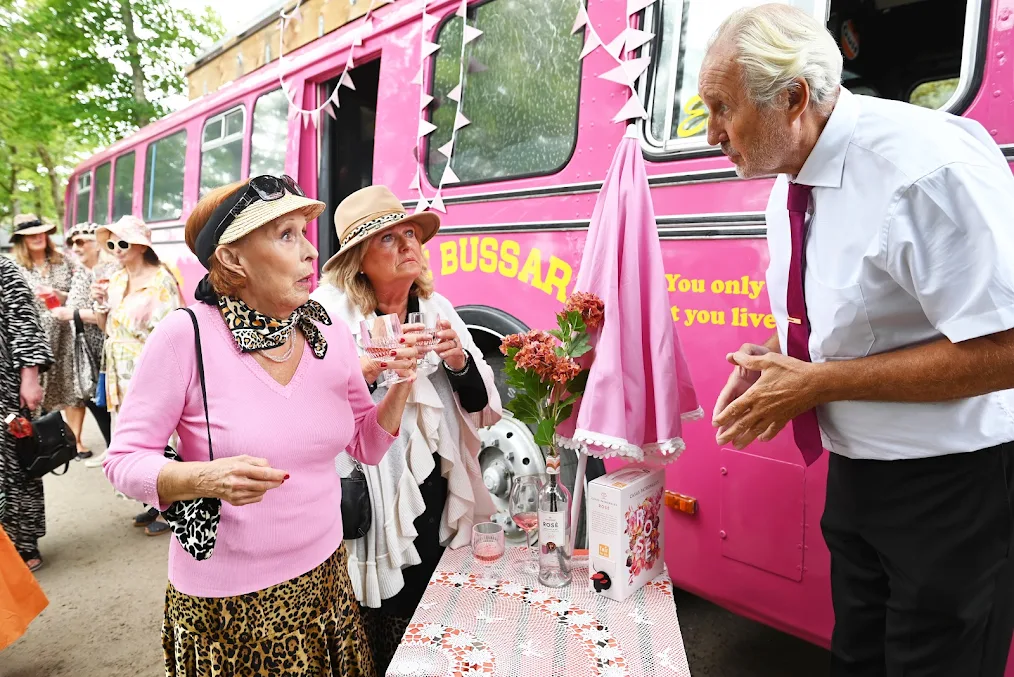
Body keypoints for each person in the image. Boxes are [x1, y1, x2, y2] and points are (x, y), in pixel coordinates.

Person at [703, 6, 1014, 677]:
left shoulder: (925, 166)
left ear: (793, 99)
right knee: (857, 660)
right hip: (856, 478)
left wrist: (819, 384)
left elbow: (1006, 348)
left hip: (951, 486)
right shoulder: (791, 177)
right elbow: (841, 314)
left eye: (723, 108)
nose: (711, 133)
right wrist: (777, 360)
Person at [103, 175, 416, 677]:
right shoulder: (185, 336)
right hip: (227, 608)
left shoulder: (327, 331)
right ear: (233, 260)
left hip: (327, 584)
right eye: (286, 235)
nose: (311, 252)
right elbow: (122, 461)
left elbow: (367, 444)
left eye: (304, 233)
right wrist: (203, 478)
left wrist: (402, 381)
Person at [311, 184, 499, 672]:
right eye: (388, 239)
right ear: (358, 261)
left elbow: (479, 404)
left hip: (432, 482)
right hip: (369, 489)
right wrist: (376, 365)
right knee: (383, 607)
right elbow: (312, 406)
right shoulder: (329, 315)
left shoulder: (437, 310)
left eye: (410, 234)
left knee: (429, 592)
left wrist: (457, 361)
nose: (407, 245)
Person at [85, 216, 183, 534]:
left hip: (150, 366)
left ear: (141, 246)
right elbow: (108, 328)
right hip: (119, 368)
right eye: (112, 243)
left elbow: (171, 334)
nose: (116, 249)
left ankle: (172, 507)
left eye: (123, 242)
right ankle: (154, 500)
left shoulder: (161, 280)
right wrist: (101, 307)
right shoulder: (115, 280)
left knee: (161, 435)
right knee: (134, 436)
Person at [9, 214, 91, 450]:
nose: (38, 237)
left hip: (65, 334)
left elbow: (80, 292)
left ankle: (75, 441)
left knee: (72, 389)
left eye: (41, 233)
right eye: (30, 235)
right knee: (35, 391)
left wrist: (59, 295)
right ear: (21, 240)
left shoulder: (64, 261)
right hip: (33, 339)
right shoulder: (14, 267)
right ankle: (41, 441)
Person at [0, 253, 54, 572]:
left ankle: (23, 543)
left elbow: (25, 325)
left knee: (14, 465)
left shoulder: (4, 269)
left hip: (4, 388)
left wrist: (30, 379)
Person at [50, 222, 116, 457]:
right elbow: (79, 299)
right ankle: (111, 449)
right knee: (93, 398)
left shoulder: (108, 272)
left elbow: (111, 312)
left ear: (97, 244)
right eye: (72, 243)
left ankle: (115, 450)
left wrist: (72, 314)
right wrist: (62, 296)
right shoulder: (83, 271)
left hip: (102, 347)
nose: (75, 248)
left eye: (80, 242)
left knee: (105, 400)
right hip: (83, 346)